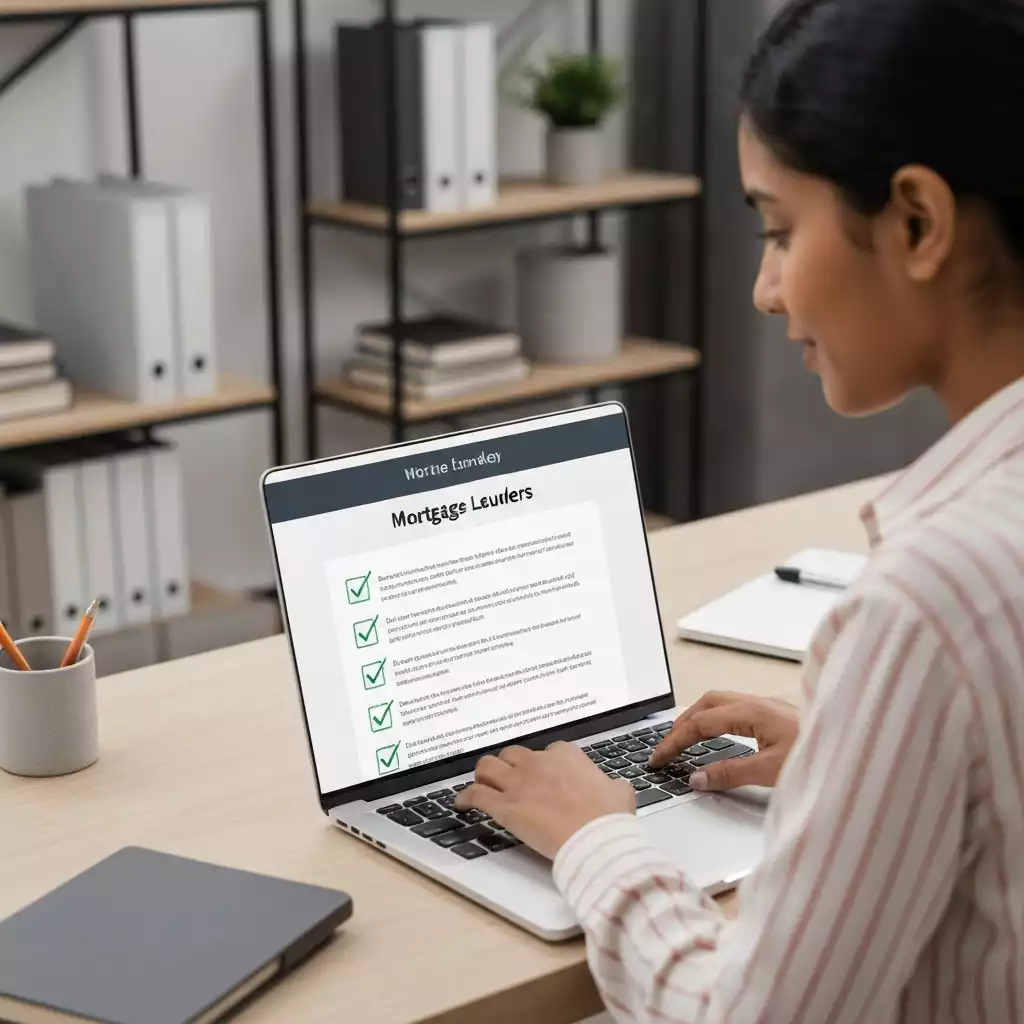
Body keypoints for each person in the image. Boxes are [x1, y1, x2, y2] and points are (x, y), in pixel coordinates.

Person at [454, 0, 1024, 1019]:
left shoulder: (929, 600)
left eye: (778, 229)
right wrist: (866, 758)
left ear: (916, 223)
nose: (764, 289)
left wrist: (593, 835)